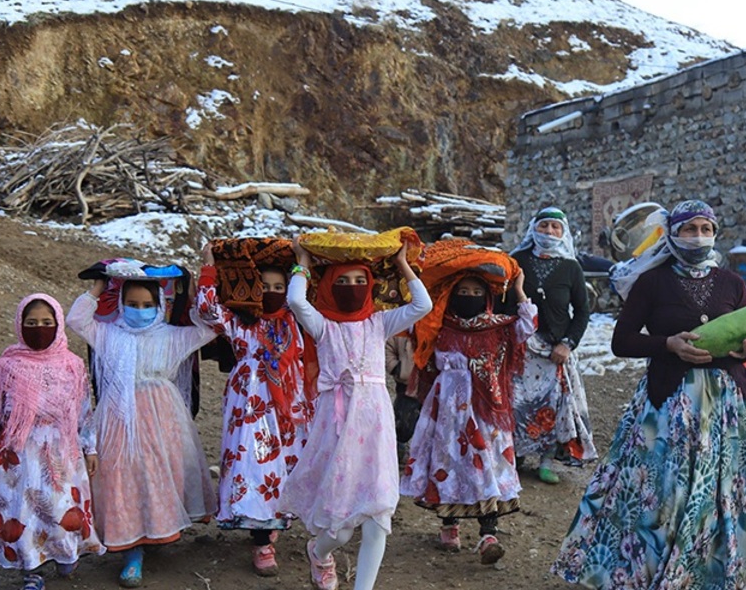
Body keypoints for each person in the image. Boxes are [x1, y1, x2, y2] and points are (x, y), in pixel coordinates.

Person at [551, 200, 746, 589]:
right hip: (669, 404)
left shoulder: (733, 283)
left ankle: (721, 577)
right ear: (672, 233)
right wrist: (668, 345)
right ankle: (647, 576)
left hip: (728, 407)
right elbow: (622, 341)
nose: (699, 236)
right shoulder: (652, 281)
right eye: (689, 229)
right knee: (662, 494)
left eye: (706, 228)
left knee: (729, 493)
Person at [283, 241, 432, 590]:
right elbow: (294, 300)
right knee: (341, 526)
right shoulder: (323, 327)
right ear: (329, 288)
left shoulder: (379, 323)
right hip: (336, 426)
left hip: (376, 426)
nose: (352, 288)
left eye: (359, 280)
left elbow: (422, 304)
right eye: (342, 281)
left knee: (378, 516)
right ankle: (319, 552)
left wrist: (403, 266)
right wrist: (302, 263)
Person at [66, 264, 219, 588]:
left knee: (157, 474)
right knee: (122, 477)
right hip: (119, 417)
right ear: (121, 304)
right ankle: (131, 550)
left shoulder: (172, 337)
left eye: (147, 305)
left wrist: (191, 295)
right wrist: (97, 288)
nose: (139, 310)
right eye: (132, 304)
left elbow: (210, 328)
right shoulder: (108, 334)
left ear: (160, 305)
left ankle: (156, 531)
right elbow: (76, 320)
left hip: (163, 417)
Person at [0, 294, 105, 590]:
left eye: (47, 323)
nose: (40, 328)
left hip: (61, 449)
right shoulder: (7, 366)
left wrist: (90, 448)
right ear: (19, 325)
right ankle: (31, 567)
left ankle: (65, 553)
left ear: (59, 324)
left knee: (60, 505)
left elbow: (83, 410)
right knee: (23, 509)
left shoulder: (72, 365)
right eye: (32, 323)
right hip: (18, 452)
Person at [401, 260, 536, 565]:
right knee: (447, 463)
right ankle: (449, 525)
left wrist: (518, 288)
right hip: (447, 414)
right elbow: (413, 322)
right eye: (462, 290)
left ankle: (489, 534)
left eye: (477, 291)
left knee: (488, 466)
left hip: (487, 413)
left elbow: (527, 326)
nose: (469, 295)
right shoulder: (437, 325)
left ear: (487, 298)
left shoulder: (500, 328)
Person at [198, 243, 314, 576]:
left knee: (284, 465)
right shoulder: (240, 322)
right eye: (265, 287)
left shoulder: (295, 319)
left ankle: (271, 517)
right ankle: (262, 540)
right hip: (249, 403)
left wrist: (302, 263)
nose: (273, 293)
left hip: (289, 405)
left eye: (280, 287)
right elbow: (207, 308)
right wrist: (208, 267)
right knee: (254, 464)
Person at [508, 206, 597, 484]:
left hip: (555, 351)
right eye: (544, 226)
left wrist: (568, 343)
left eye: (555, 227)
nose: (549, 232)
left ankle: (546, 461)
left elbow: (582, 311)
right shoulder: (516, 261)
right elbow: (501, 302)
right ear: (533, 228)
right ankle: (515, 457)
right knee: (516, 402)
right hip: (520, 347)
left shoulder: (571, 267)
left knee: (553, 405)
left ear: (563, 232)